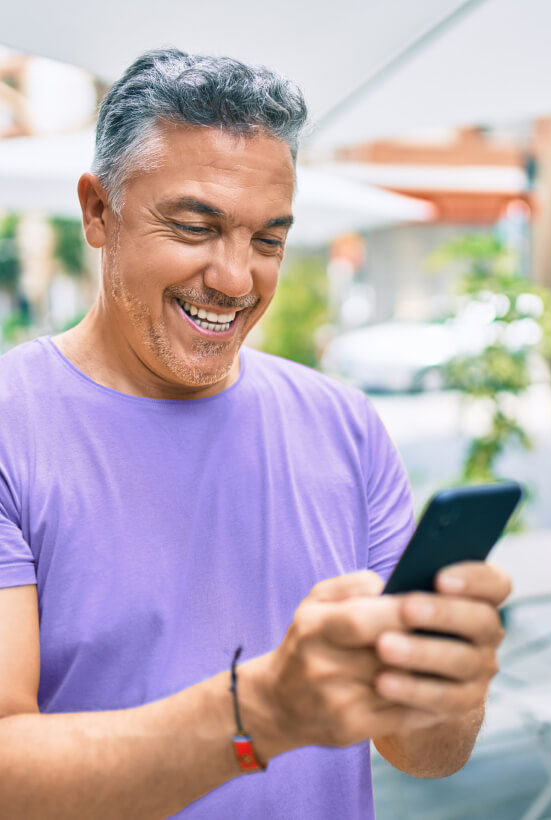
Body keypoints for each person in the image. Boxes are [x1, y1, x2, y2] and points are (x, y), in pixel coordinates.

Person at [0, 49, 510, 819]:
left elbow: (427, 755)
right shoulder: (13, 424)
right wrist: (260, 712)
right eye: (196, 226)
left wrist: (445, 682)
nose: (236, 280)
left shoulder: (345, 425)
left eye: (268, 240)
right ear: (98, 211)